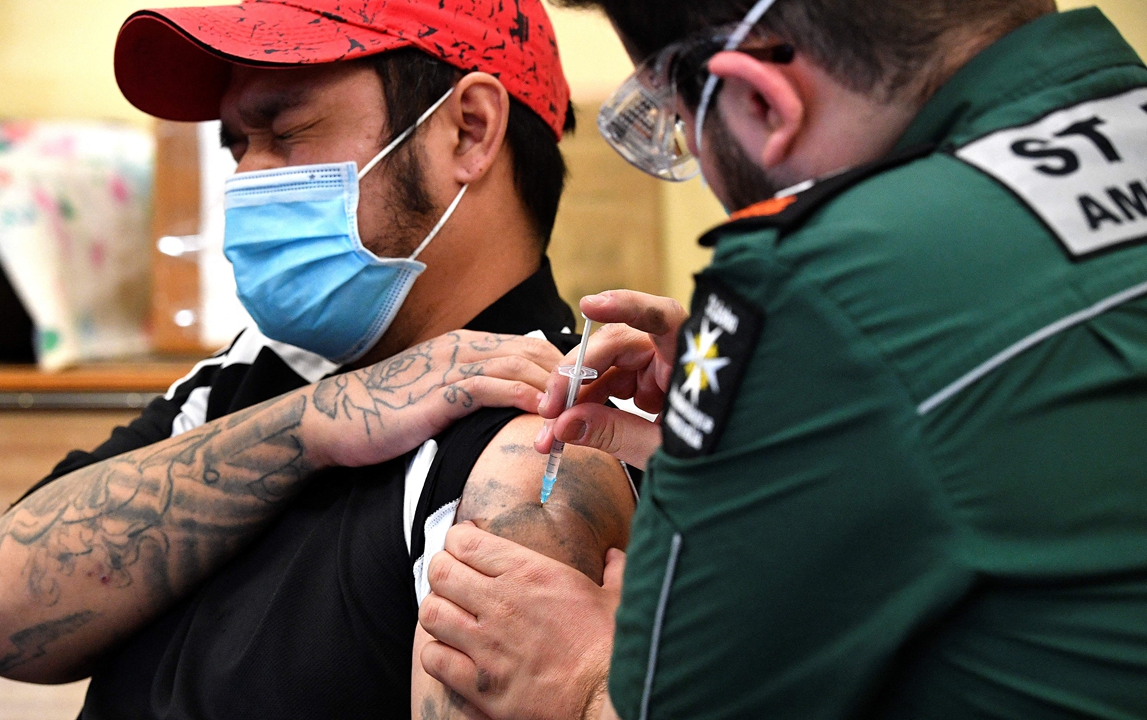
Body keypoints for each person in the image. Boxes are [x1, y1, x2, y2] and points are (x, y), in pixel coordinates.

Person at [417, 1, 1147, 719]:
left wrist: (580, 682)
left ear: (764, 102)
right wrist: (769, 442)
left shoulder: (815, 284)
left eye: (676, 127)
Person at [0, 1, 638, 718]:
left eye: (285, 131)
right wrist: (312, 425)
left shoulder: (544, 439)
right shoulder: (260, 370)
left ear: (470, 130)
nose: (247, 177)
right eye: (237, 145)